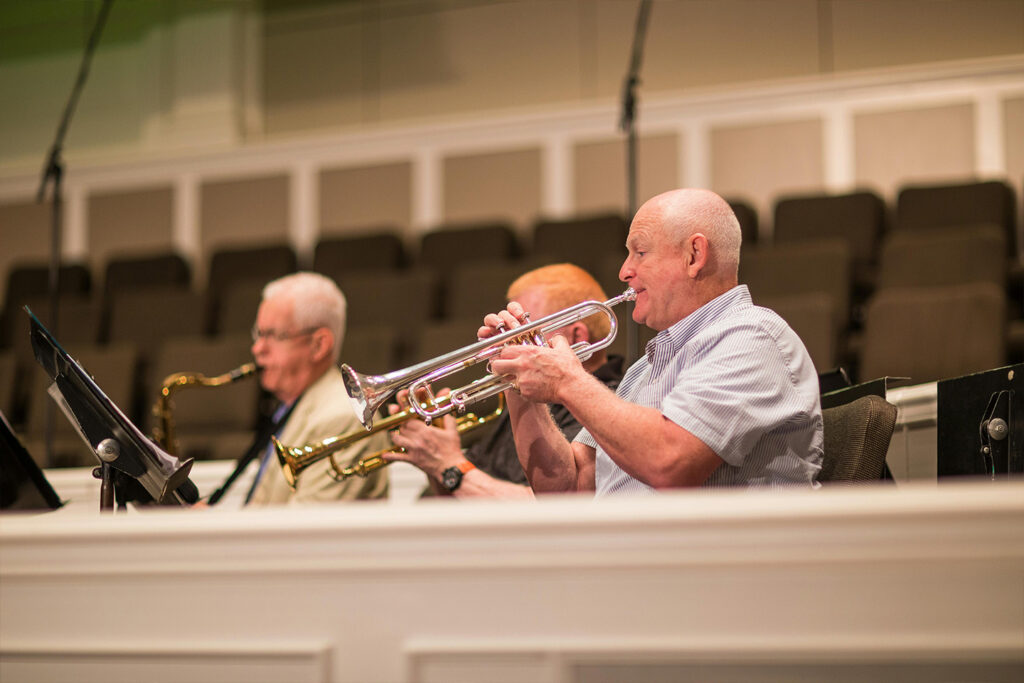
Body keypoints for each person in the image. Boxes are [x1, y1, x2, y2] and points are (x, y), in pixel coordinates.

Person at [484, 189, 823, 495]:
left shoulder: (751, 337)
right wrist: (515, 374)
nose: (624, 271)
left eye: (640, 252)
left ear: (694, 255)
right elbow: (569, 487)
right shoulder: (643, 369)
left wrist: (566, 380)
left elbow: (669, 463)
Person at [384, 264, 625, 498]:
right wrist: (432, 451)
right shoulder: (527, 393)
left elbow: (547, 504)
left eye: (526, 331)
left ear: (576, 336)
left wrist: (448, 465)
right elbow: (461, 494)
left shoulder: (611, 401)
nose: (510, 343)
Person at [213, 271, 389, 506]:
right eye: (258, 334)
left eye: (272, 335)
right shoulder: (290, 407)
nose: (257, 349)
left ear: (319, 345)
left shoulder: (344, 417)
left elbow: (306, 523)